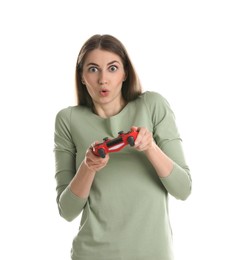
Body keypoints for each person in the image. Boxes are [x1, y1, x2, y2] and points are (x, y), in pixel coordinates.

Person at [54, 34, 192, 260]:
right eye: (92, 69)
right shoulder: (68, 120)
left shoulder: (152, 106)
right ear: (81, 76)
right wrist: (88, 167)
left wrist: (150, 147)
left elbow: (183, 189)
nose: (103, 80)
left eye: (112, 68)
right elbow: (67, 211)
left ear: (125, 73)